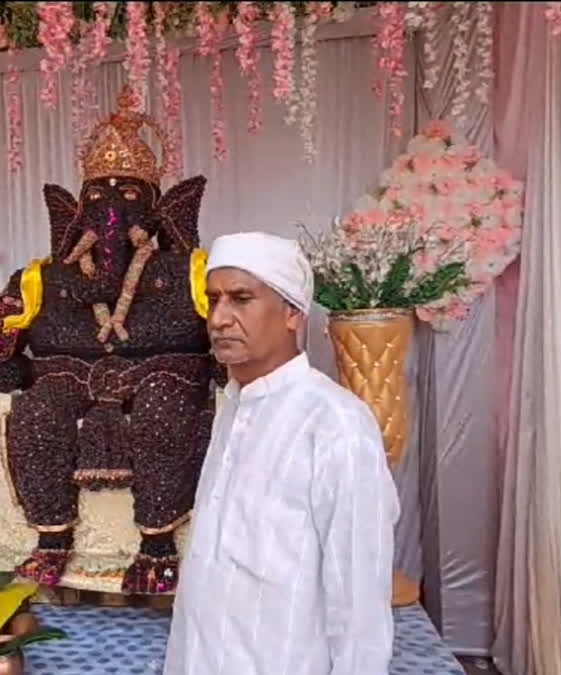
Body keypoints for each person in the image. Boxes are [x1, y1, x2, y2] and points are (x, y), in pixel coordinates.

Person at [164, 231, 400, 675]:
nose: (219, 318)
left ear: (292, 312)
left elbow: (360, 605)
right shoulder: (231, 408)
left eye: (240, 299)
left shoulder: (336, 425)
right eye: (213, 300)